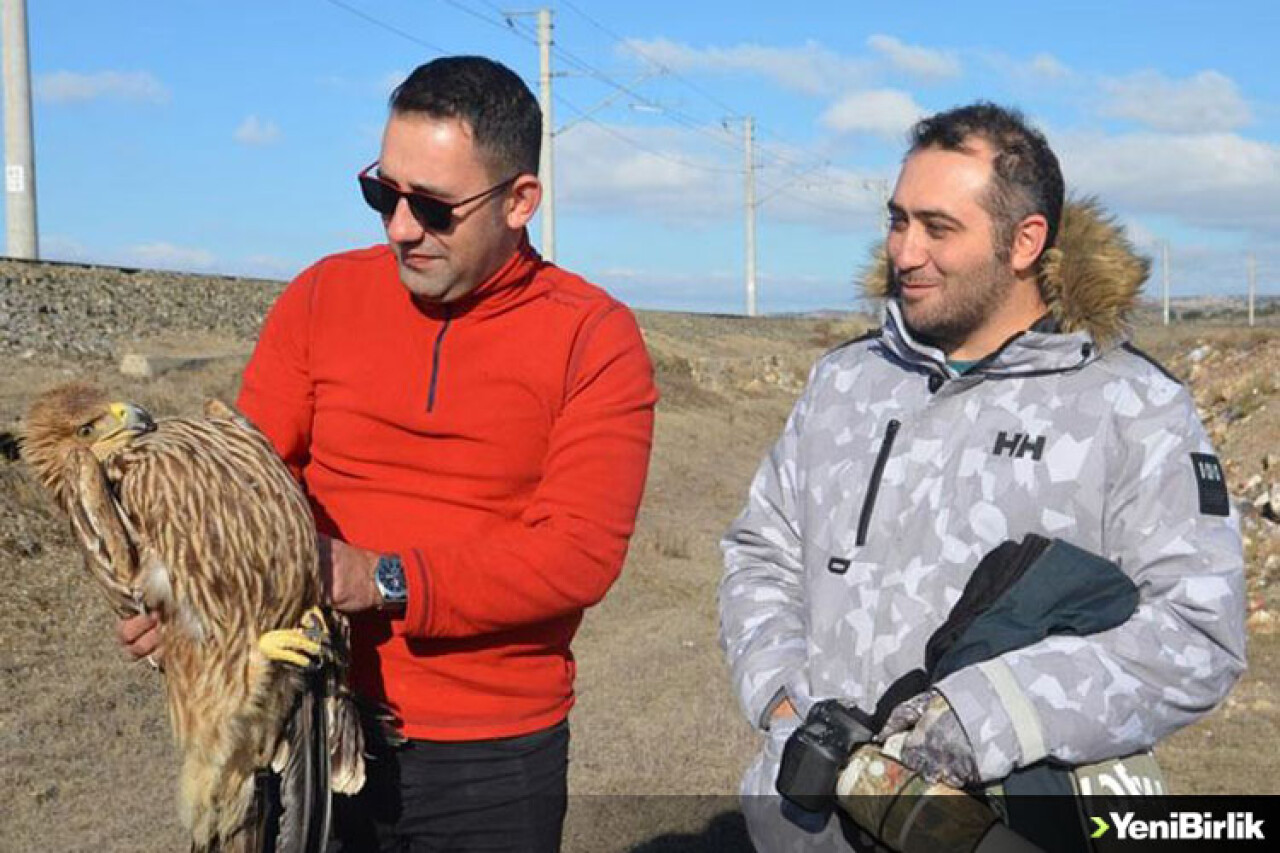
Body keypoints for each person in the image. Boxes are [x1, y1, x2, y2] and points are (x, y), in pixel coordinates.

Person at [119, 55, 657, 851]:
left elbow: (576, 552)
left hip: (491, 758)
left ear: (520, 201)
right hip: (307, 716)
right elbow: (249, 482)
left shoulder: (595, 338)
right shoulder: (321, 296)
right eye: (384, 193)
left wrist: (382, 578)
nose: (402, 227)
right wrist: (189, 595)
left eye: (434, 208)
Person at [719, 102, 1245, 851]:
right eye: (898, 220)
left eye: (938, 227)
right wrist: (781, 702)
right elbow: (759, 553)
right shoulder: (846, 381)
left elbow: (1197, 633)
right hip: (807, 829)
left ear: (1025, 241)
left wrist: (984, 716)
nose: (904, 251)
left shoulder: (1130, 406)